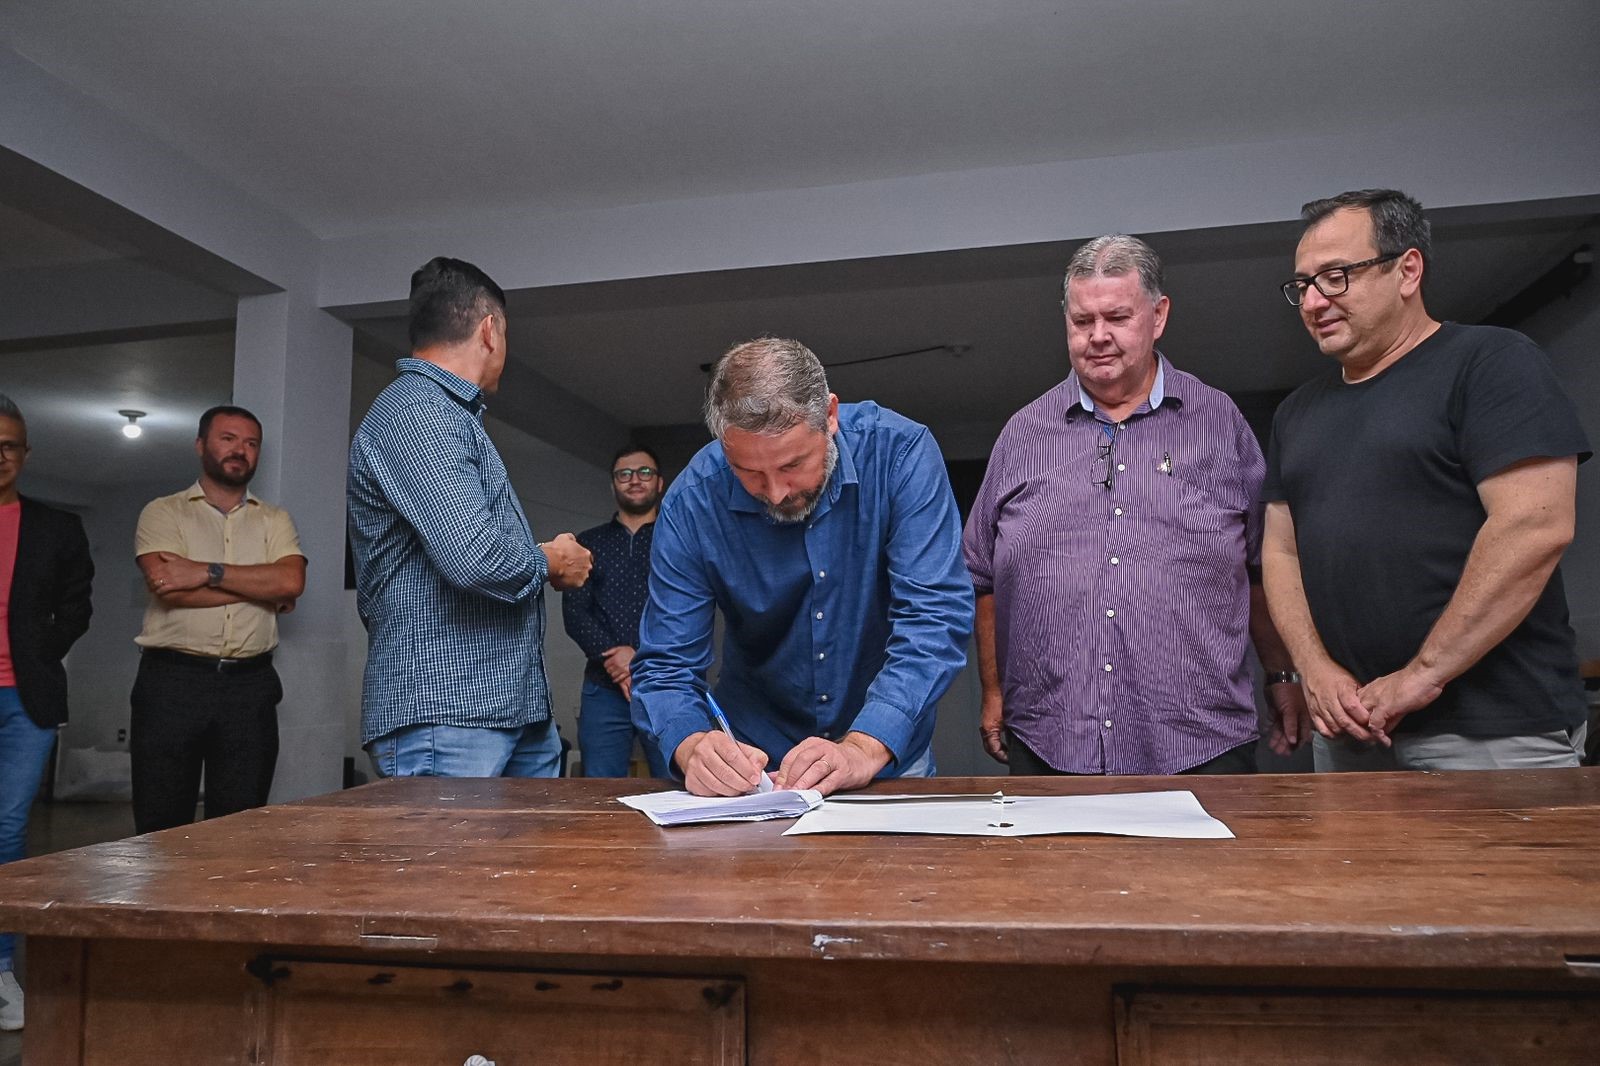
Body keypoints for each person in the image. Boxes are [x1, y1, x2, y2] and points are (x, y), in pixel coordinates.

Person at [1262, 188, 1591, 771]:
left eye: (1336, 277)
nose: (1313, 302)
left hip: (1493, 732)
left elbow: (1534, 528)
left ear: (1407, 270)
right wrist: (1314, 669)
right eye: (1303, 284)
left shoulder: (1491, 362)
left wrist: (1421, 676)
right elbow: (1280, 552)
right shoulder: (1296, 412)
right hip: (1348, 732)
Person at [963, 235, 1305, 776]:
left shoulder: (1220, 425)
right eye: (1082, 321)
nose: (1098, 336)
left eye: (1117, 317)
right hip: (1050, 742)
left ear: (1158, 315)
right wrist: (993, 691)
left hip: (1200, 745)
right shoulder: (1022, 435)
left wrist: (1282, 675)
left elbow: (1263, 568)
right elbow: (983, 576)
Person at [631, 337, 974, 797]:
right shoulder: (693, 501)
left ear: (829, 416)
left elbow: (933, 617)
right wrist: (692, 747)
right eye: (749, 472)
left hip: (882, 757)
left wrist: (863, 746)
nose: (775, 493)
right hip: (755, 770)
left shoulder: (900, 454)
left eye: (793, 464)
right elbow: (666, 664)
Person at [349, 256, 592, 779]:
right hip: (447, 716)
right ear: (489, 331)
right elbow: (474, 556)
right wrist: (552, 560)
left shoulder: (449, 416)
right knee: (451, 842)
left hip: (508, 710)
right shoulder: (418, 411)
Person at [132, 405, 305, 833]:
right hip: (172, 683)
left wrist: (206, 572)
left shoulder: (275, 519)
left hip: (250, 687)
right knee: (161, 824)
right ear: (200, 445)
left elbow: (291, 581)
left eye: (251, 443)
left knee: (241, 828)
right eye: (228, 439)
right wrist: (262, 591)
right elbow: (169, 589)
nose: (240, 450)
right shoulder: (163, 512)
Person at [0, 393, 93, 1032]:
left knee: (7, 829)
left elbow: (76, 607)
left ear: (26, 454)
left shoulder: (56, 528)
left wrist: (36, 653)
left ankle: (2, 967)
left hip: (24, 698)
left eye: (8, 445)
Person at [561, 443, 669, 777]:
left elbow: (690, 607)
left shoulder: (677, 540)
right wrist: (617, 659)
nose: (634, 480)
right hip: (603, 687)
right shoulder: (587, 544)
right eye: (624, 474)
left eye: (644, 472)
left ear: (660, 483)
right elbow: (576, 613)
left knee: (678, 785)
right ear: (613, 485)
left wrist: (639, 660)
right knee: (600, 791)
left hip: (667, 683)